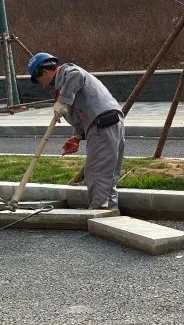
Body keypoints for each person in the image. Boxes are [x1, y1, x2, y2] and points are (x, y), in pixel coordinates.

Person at [27, 52, 125, 210]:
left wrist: (62, 101)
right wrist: (77, 136)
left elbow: (77, 75)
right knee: (107, 175)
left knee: (96, 174)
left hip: (102, 124)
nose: (42, 86)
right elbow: (81, 111)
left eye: (39, 81)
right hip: (109, 123)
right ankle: (110, 212)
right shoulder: (64, 85)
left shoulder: (67, 73)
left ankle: (98, 212)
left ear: (44, 72)